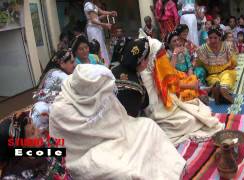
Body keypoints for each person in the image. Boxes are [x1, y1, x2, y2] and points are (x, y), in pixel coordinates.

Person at [49, 64, 186, 179]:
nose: (108, 92)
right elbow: (67, 149)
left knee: (148, 125)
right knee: (122, 171)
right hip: (88, 154)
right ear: (90, 89)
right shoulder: (61, 110)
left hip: (122, 134)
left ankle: (170, 170)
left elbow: (121, 118)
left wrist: (121, 135)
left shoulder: (102, 91)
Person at [138, 30, 224, 144]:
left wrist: (190, 75)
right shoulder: (162, 58)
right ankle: (206, 91)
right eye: (174, 40)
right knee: (191, 118)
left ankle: (206, 91)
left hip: (175, 82)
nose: (177, 42)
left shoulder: (181, 51)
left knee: (195, 78)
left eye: (178, 39)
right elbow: (169, 76)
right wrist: (175, 55)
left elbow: (185, 67)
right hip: (160, 105)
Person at [0, 111, 70, 179]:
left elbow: (63, 158)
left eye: (34, 126)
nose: (38, 131)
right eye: (33, 132)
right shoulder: (13, 176)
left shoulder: (42, 145)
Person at [32, 49, 75, 135]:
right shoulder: (62, 76)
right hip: (45, 119)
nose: (74, 65)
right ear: (62, 63)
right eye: (71, 62)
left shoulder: (52, 72)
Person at [195, 28, 237, 104]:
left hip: (226, 70)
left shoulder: (227, 45)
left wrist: (233, 65)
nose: (212, 40)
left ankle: (222, 90)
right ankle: (219, 91)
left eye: (215, 38)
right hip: (212, 74)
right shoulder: (203, 48)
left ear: (220, 38)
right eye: (210, 38)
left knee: (227, 77)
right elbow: (199, 63)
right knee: (214, 81)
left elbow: (233, 60)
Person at [112, 38, 150, 117]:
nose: (148, 61)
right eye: (147, 58)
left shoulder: (113, 68)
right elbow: (131, 118)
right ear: (142, 62)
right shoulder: (135, 87)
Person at [84, 0, 117, 66]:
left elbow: (101, 12)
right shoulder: (88, 5)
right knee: (97, 46)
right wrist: (105, 24)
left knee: (102, 45)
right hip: (93, 29)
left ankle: (105, 64)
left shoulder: (93, 5)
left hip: (97, 28)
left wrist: (110, 13)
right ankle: (100, 64)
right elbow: (93, 20)